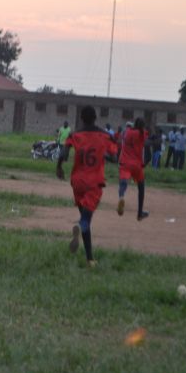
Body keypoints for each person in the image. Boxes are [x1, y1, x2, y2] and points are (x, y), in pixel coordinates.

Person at [56, 106, 118, 267]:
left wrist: (59, 167)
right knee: (85, 220)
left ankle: (90, 258)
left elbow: (64, 153)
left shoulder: (75, 135)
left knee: (85, 218)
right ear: (95, 118)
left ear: (82, 119)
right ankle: (80, 229)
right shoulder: (104, 135)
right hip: (94, 183)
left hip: (77, 182)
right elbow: (114, 156)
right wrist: (104, 154)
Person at [117, 117, 150, 221]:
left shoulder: (128, 132)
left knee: (123, 182)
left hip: (125, 162)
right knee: (141, 187)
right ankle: (140, 213)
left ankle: (121, 196)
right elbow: (148, 145)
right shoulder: (142, 133)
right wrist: (146, 162)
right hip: (137, 165)